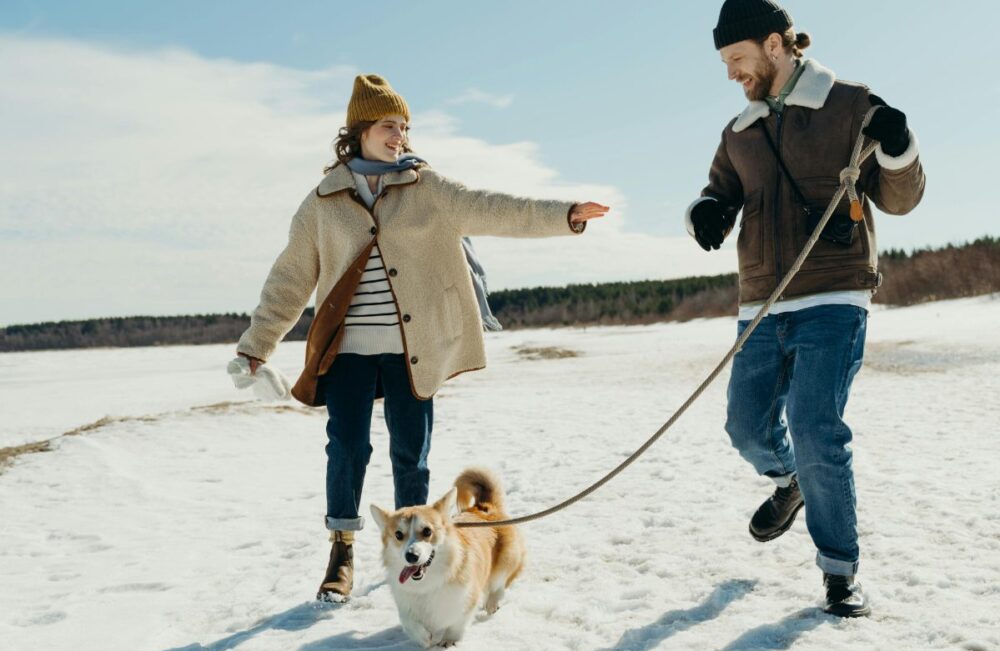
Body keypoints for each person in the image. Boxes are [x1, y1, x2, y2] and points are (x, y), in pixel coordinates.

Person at [233, 74, 609, 602]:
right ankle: (341, 551)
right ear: (360, 129)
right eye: (390, 126)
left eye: (405, 128)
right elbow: (291, 277)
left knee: (412, 455)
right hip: (349, 355)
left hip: (413, 350)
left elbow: (490, 206)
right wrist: (256, 345)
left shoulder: (424, 187)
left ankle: (415, 555)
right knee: (347, 449)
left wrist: (562, 215)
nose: (400, 137)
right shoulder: (323, 201)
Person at [686, 0, 925, 617]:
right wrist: (706, 214)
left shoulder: (850, 105)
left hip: (834, 295)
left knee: (818, 426)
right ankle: (790, 480)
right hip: (761, 302)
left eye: (736, 59)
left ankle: (840, 573)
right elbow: (717, 192)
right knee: (745, 427)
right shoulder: (738, 132)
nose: (731, 73)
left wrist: (898, 146)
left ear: (773, 45)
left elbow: (900, 198)